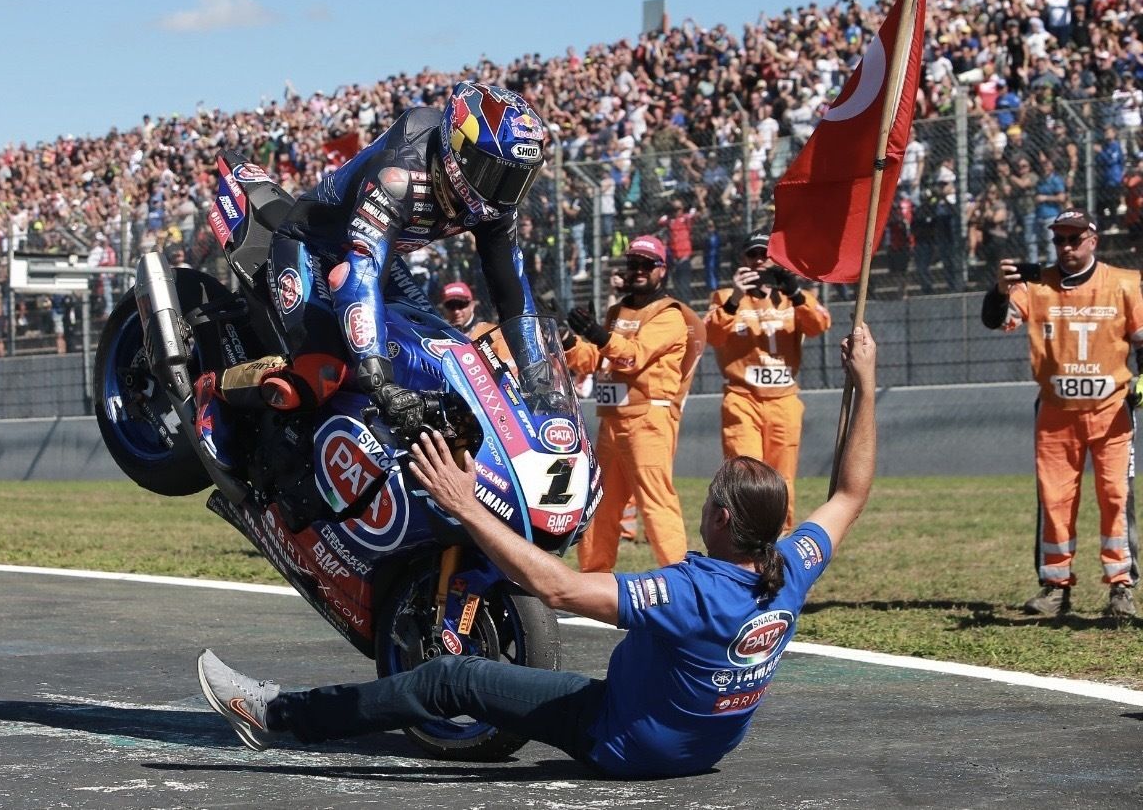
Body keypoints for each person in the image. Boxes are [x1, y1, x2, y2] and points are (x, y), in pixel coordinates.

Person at [196, 326, 879, 778]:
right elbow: (850, 493)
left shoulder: (694, 593)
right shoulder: (789, 566)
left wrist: (466, 507)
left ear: (724, 519)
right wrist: (865, 383)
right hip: (704, 745)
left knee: (451, 680)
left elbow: (557, 590)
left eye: (707, 501)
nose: (701, 507)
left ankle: (275, 715)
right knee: (508, 689)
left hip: (628, 740)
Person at [217, 81, 550, 433]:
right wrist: (379, 380)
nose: (504, 192)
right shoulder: (399, 175)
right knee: (324, 371)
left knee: (440, 355)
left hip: (381, 254)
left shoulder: (495, 207)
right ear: (458, 150)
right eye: (497, 175)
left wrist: (538, 379)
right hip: (312, 246)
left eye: (517, 180)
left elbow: (512, 287)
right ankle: (215, 388)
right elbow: (360, 273)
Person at [982, 210, 1141, 618]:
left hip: (1112, 412)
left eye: (1074, 238)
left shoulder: (1125, 283)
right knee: (1055, 500)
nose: (1066, 247)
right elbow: (996, 321)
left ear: (1094, 239)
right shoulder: (1034, 286)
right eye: (1059, 240)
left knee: (1115, 497)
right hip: (1055, 414)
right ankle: (1055, 586)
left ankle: (1121, 586)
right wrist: (999, 291)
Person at [563, 235, 704, 573]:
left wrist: (599, 335)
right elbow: (592, 360)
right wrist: (568, 340)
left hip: (648, 420)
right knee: (602, 505)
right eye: (634, 263)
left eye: (647, 264)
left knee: (656, 503)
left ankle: (680, 580)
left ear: (662, 271)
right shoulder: (617, 312)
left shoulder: (670, 315)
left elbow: (635, 356)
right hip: (613, 422)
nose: (639, 270)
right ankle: (594, 579)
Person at [704, 233, 831, 527]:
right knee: (746, 472)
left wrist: (797, 293)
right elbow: (712, 334)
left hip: (784, 400)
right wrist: (736, 297)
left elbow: (819, 325)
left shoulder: (793, 296)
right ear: (743, 261)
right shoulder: (724, 297)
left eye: (765, 254)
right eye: (752, 255)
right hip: (742, 397)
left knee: (782, 476)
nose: (760, 260)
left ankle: (780, 538)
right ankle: (744, 536)